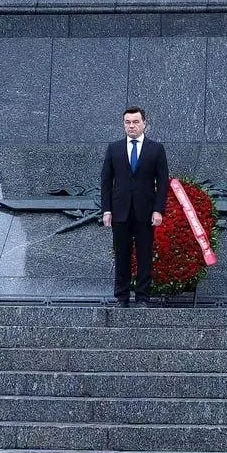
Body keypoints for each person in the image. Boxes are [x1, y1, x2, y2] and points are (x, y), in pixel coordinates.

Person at [100, 106, 169, 306]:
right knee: (122, 254)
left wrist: (158, 209)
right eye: (128, 122)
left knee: (144, 255)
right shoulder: (114, 148)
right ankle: (122, 297)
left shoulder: (156, 149)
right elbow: (106, 181)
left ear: (144, 123)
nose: (131, 126)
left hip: (145, 212)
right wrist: (107, 210)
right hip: (120, 211)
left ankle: (142, 297)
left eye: (135, 122)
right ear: (124, 125)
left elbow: (162, 181)